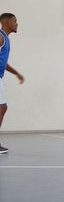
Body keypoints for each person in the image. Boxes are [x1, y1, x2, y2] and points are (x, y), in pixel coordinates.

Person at [0, 13, 25, 154]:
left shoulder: (5, 39)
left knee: (2, 108)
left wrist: (16, 73)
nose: (17, 24)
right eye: (15, 21)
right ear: (7, 21)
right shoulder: (0, 36)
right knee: (2, 108)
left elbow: (3, 63)